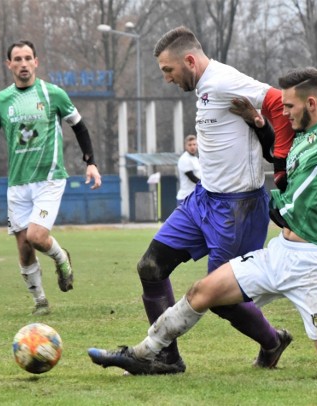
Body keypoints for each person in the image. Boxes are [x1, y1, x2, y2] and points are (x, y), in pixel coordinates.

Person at [89, 9, 317, 379]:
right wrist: (257, 125)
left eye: (287, 107)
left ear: (311, 104)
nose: (279, 112)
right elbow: (275, 155)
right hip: (278, 252)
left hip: (315, 264)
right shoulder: (298, 140)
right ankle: (143, 353)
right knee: (203, 291)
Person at [114, 26, 296, 375]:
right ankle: (167, 358)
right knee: (150, 267)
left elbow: (279, 101)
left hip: (238, 208)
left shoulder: (226, 80)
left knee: (219, 298)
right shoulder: (204, 89)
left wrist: (282, 161)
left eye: (168, 70)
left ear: (190, 60)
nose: (167, 78)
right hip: (202, 201)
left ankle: (272, 341)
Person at [0, 40, 102, 316]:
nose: (23, 64)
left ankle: (61, 258)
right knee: (23, 248)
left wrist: (90, 162)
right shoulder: (2, 100)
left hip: (49, 178)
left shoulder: (52, 93)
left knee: (37, 236)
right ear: (9, 64)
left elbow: (79, 126)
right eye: (17, 59)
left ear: (36, 62)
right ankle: (40, 302)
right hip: (17, 184)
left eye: (27, 58)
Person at [176, 134, 200, 205]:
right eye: (189, 145)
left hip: (195, 197)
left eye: (194, 144)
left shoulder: (196, 159)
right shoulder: (184, 159)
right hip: (186, 198)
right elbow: (192, 177)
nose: (192, 147)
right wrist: (205, 186)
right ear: (185, 146)